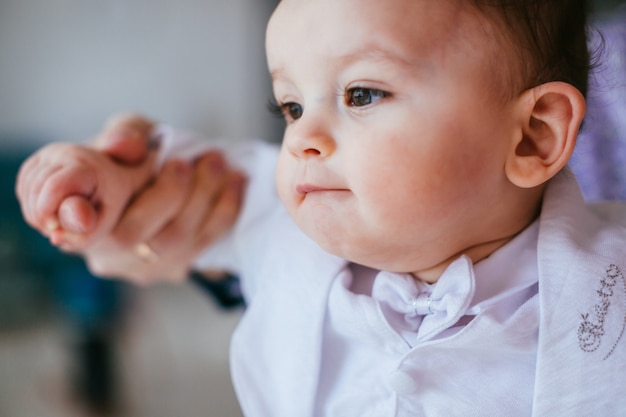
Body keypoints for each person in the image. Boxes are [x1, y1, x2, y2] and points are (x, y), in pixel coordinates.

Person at [16, 0, 626, 415]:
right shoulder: (285, 233)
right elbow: (182, 178)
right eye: (291, 106)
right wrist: (99, 178)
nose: (303, 138)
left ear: (532, 136)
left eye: (361, 93)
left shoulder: (610, 284)